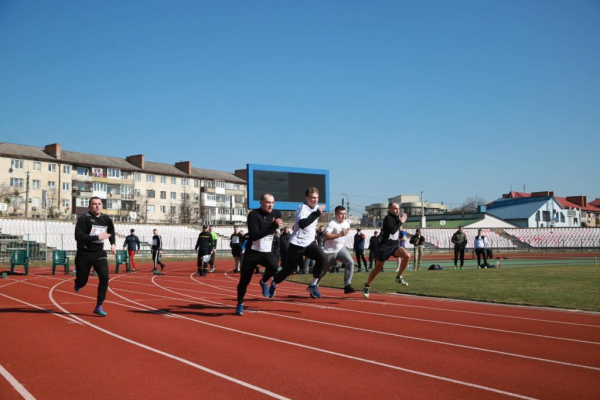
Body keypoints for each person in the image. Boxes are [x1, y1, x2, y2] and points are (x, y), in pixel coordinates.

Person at [269, 187, 327, 299]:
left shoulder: (316, 208)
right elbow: (303, 224)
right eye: (312, 198)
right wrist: (317, 213)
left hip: (309, 243)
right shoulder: (302, 208)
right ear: (307, 198)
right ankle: (274, 283)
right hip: (297, 244)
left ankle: (313, 285)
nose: (315, 200)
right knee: (288, 270)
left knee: (323, 258)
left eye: (317, 198)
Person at [235, 193, 283, 316]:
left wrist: (277, 226)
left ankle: (264, 281)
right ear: (261, 202)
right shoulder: (253, 215)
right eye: (267, 202)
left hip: (266, 252)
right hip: (253, 252)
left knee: (274, 265)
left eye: (272, 202)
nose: (270, 205)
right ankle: (240, 303)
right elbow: (255, 235)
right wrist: (273, 225)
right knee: (244, 281)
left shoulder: (276, 214)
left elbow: (276, 226)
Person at [74, 197, 116, 317]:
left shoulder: (106, 218)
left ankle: (99, 305)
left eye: (99, 204)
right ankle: (78, 283)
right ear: (89, 207)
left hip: (99, 253)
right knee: (82, 281)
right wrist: (97, 237)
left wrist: (113, 244)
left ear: (102, 205)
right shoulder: (84, 219)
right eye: (94, 204)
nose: (97, 206)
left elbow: (111, 231)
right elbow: (78, 236)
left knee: (104, 277)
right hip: (84, 254)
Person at [363, 203, 410, 299]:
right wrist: (401, 221)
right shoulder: (388, 218)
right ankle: (367, 285)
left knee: (407, 255)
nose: (397, 210)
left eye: (398, 208)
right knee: (378, 268)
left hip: (395, 245)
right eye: (395, 208)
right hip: (384, 247)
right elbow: (392, 230)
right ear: (390, 209)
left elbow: (397, 230)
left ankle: (399, 277)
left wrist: (400, 228)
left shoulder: (397, 218)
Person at [318, 206, 356, 294]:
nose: (343, 216)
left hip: (340, 248)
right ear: (335, 215)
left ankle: (347, 285)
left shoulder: (346, 223)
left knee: (350, 262)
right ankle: (314, 284)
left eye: (344, 214)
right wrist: (340, 234)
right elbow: (325, 237)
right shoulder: (332, 223)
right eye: (341, 214)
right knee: (324, 271)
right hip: (330, 250)